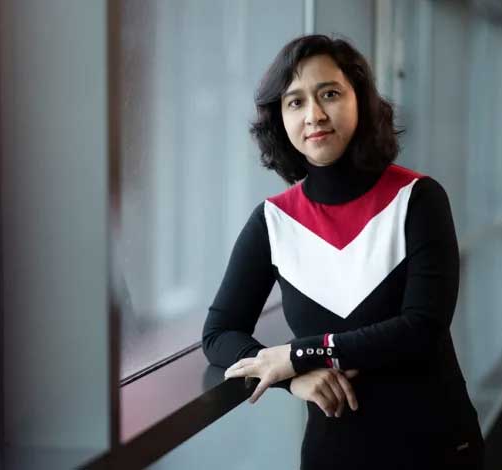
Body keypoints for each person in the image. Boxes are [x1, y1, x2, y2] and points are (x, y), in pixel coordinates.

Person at [201, 34, 484, 470]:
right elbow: (219, 335)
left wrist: (300, 353)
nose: (314, 115)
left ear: (360, 99)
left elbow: (422, 327)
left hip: (435, 445)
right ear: (280, 118)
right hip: (333, 453)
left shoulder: (418, 199)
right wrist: (293, 379)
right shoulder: (274, 222)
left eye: (328, 94)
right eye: (294, 102)